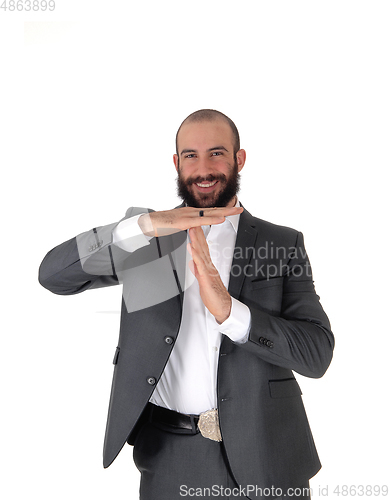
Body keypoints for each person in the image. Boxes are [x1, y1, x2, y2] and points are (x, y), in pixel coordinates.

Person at [39, 109, 334, 500]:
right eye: (191, 156)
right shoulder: (144, 240)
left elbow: (317, 354)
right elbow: (54, 276)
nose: (204, 168)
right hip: (170, 458)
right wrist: (142, 226)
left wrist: (231, 312)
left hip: (269, 455)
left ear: (239, 159)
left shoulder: (281, 242)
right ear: (176, 163)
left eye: (216, 153)